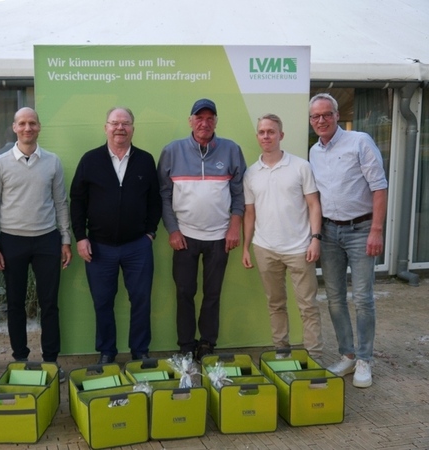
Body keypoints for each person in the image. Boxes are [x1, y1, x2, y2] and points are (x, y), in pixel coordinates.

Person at [70, 107, 161, 364]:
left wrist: (150, 233)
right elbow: (77, 201)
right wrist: (80, 236)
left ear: (133, 128)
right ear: (106, 127)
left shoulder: (145, 160)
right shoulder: (90, 160)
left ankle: (140, 351)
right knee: (102, 302)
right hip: (99, 247)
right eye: (115, 123)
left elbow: (155, 200)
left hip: (137, 247)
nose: (120, 128)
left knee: (141, 300)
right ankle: (107, 353)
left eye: (126, 123)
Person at [0, 107, 71, 380]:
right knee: (15, 302)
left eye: (32, 123)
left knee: (50, 303)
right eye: (22, 123)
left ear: (39, 127)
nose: (27, 128)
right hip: (12, 240)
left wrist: (65, 239)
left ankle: (50, 360)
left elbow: (60, 203)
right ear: (14, 128)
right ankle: (20, 358)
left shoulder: (53, 162)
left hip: (47, 239)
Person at [309, 93, 388, 388]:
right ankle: (347, 354)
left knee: (364, 299)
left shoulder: (360, 142)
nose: (321, 120)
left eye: (326, 114)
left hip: (361, 230)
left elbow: (379, 188)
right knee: (334, 299)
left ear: (337, 115)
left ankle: (365, 359)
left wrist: (376, 230)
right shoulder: (314, 152)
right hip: (329, 233)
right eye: (315, 116)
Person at [157, 99, 246, 362]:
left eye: (210, 118)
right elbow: (163, 194)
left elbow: (239, 194)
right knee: (184, 293)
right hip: (184, 236)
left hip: (220, 237)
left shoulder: (231, 150)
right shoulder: (172, 151)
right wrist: (172, 230)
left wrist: (234, 227)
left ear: (216, 121)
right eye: (199, 118)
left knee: (213, 293)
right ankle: (185, 345)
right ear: (190, 121)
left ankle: (207, 343)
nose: (204, 123)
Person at [242, 113, 323, 360]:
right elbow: (249, 214)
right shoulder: (251, 173)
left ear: (281, 135)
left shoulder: (301, 167)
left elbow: (314, 205)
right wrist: (246, 247)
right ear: (258, 137)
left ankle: (315, 357)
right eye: (262, 132)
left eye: (271, 131)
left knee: (308, 306)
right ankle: (282, 353)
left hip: (300, 248)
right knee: (275, 304)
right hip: (265, 249)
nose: (266, 136)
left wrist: (315, 238)